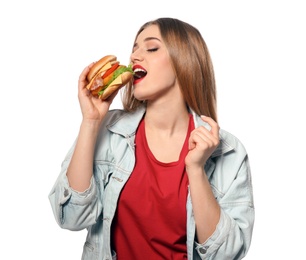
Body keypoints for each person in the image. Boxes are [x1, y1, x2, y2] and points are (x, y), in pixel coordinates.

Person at [49, 17, 255, 260]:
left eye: (152, 47)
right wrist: (91, 122)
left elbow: (227, 255)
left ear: (184, 61)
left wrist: (196, 169)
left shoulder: (227, 152)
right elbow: (71, 218)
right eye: (134, 48)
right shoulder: (108, 131)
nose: (135, 56)